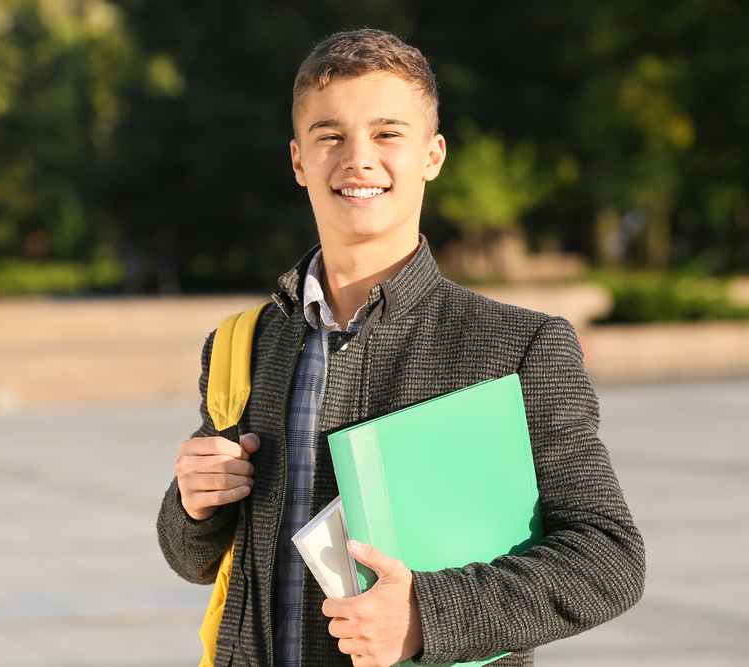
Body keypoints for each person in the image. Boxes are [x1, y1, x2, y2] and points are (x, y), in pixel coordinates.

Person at [157, 28, 644, 667]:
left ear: (432, 155)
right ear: (299, 160)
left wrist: (426, 616)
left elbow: (608, 557)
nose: (357, 158)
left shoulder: (519, 347)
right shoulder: (243, 345)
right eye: (329, 136)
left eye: (388, 134)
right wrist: (192, 506)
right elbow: (193, 560)